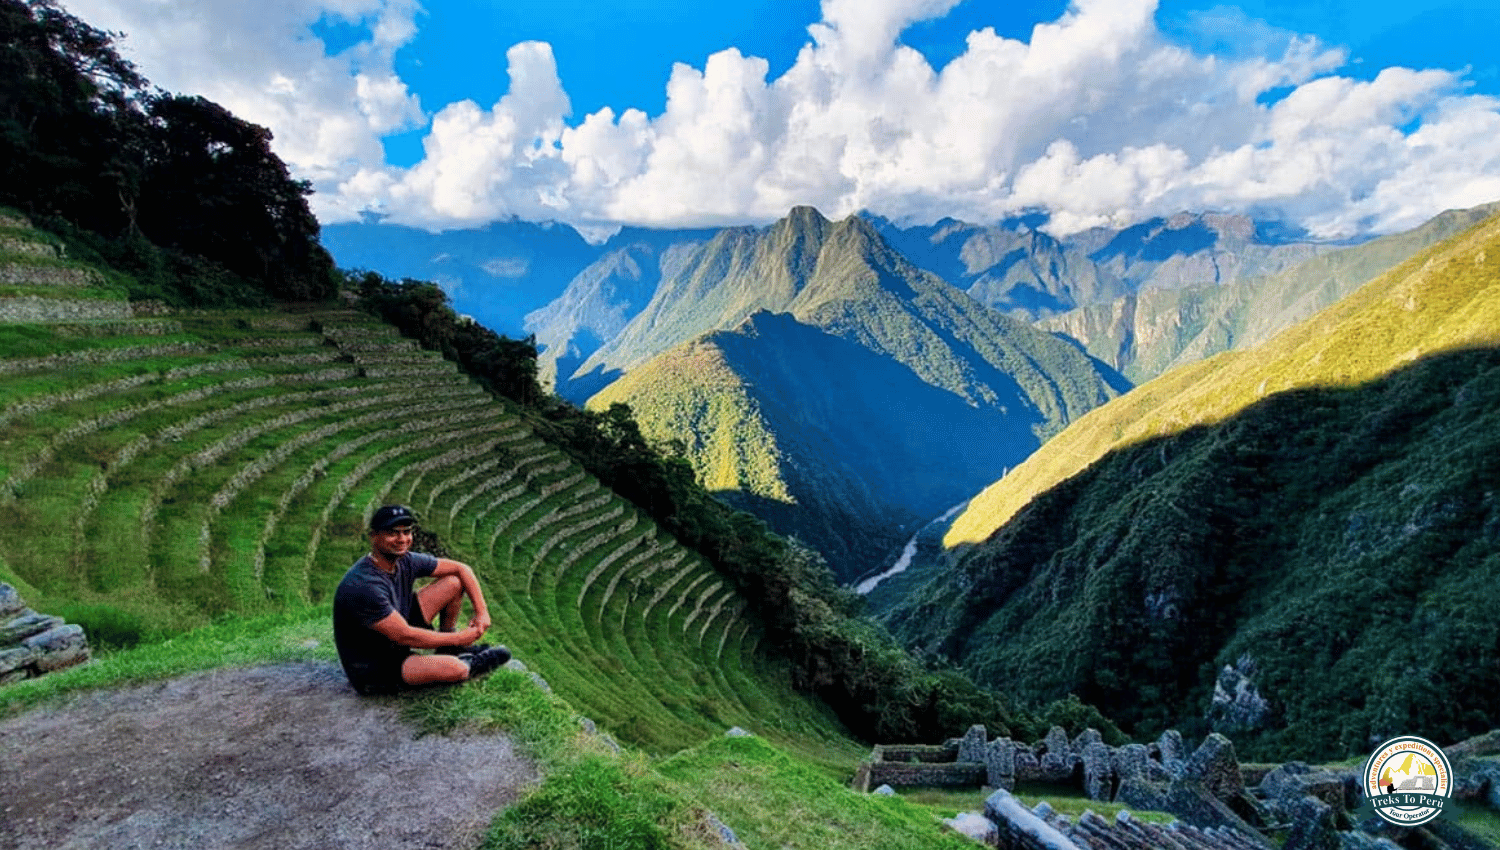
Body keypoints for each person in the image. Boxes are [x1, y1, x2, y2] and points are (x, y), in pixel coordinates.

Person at [333, 504, 510, 695]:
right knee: (457, 670)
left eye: (406, 532)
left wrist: (482, 612)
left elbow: (461, 569)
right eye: (393, 533)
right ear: (374, 536)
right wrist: (459, 637)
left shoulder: (405, 560)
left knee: (453, 582)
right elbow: (405, 635)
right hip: (375, 667)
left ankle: (451, 650)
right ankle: (464, 661)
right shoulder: (364, 585)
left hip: (396, 630)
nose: (402, 539)